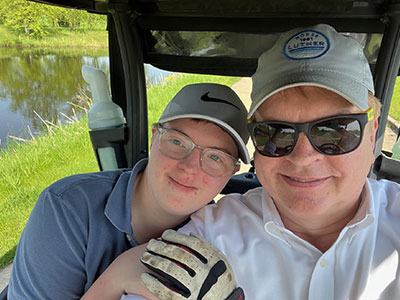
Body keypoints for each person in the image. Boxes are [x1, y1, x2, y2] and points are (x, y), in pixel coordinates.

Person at [87, 23, 400, 300]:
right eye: (276, 133)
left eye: (334, 132)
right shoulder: (207, 241)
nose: (304, 157)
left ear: (371, 134)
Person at [7, 82, 250, 299]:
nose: (189, 168)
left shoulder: (219, 234)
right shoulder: (66, 210)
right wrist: (116, 279)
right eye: (177, 141)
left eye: (215, 158)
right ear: (154, 138)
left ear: (231, 172)